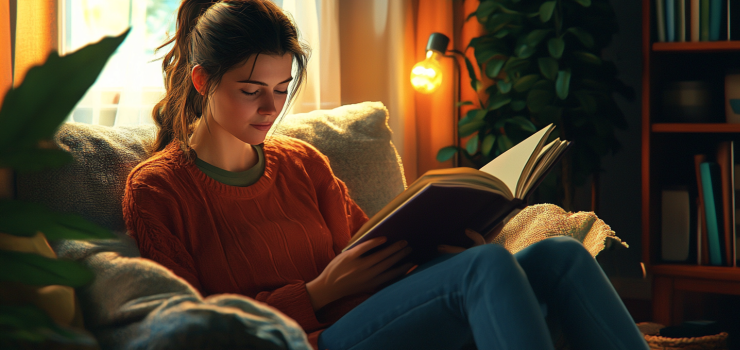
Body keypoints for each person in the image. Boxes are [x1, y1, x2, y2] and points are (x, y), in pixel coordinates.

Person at [122, 1, 649, 349]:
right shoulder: (159, 190)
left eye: (282, 89)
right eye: (250, 89)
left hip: (375, 318)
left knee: (558, 255)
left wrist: (436, 254)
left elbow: (376, 247)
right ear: (201, 80)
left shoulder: (304, 165)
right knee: (487, 268)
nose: (270, 107)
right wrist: (318, 291)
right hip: (312, 341)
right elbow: (192, 327)